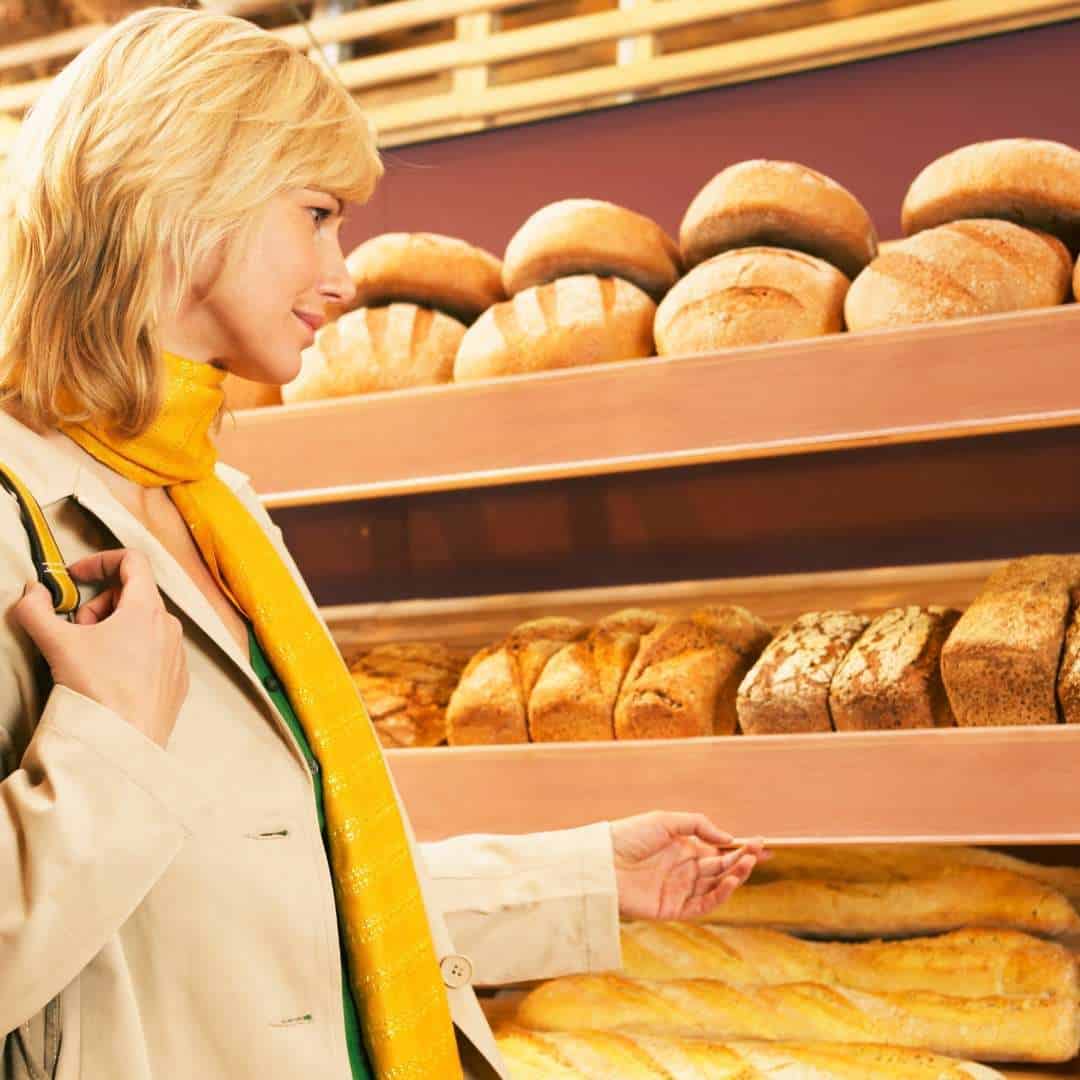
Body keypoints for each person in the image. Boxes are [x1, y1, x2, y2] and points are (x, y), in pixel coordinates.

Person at [0, 9, 767, 1079]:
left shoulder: (219, 506)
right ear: (182, 196)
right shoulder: (10, 511)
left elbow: (281, 890)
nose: (343, 275)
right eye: (316, 215)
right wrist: (114, 744)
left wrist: (586, 878)